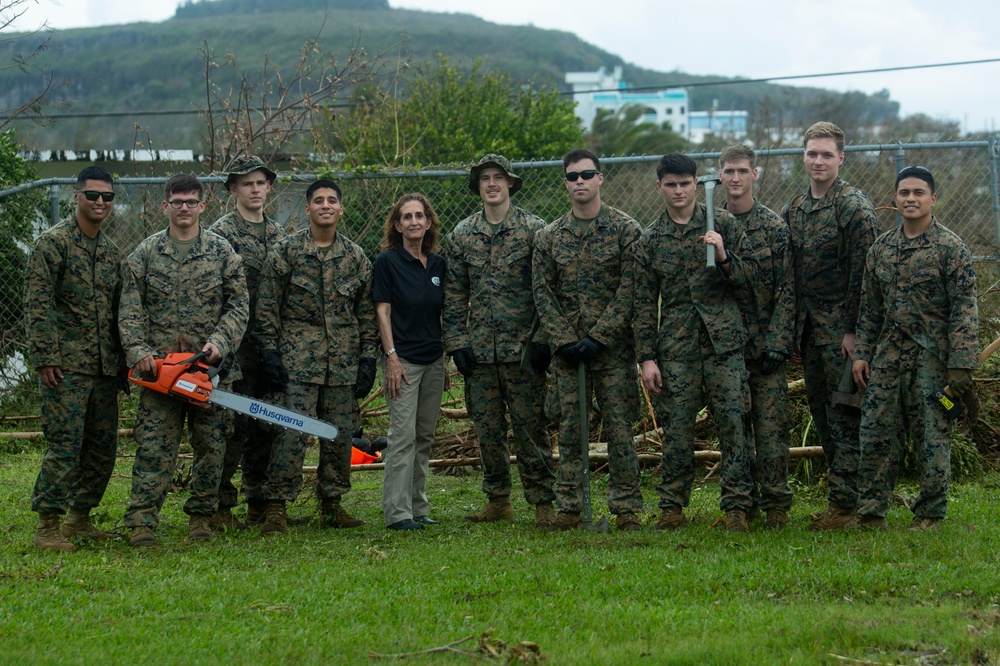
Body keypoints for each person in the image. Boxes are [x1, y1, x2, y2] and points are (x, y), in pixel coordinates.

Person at [120, 174, 248, 547]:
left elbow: (239, 304)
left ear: (202, 206)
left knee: (211, 446)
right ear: (165, 206)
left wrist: (220, 342)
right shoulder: (144, 254)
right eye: (177, 202)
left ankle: (202, 517)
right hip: (160, 370)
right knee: (154, 447)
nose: (184, 209)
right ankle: (143, 521)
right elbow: (129, 308)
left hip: (208, 370)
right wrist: (138, 350)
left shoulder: (222, 252)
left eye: (191, 202)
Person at [634, 153, 758, 532]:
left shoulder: (722, 224)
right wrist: (647, 357)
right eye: (670, 184)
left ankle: (737, 507)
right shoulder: (651, 238)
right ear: (660, 187)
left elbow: (750, 280)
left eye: (685, 183)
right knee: (677, 429)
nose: (678, 191)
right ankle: (671, 508)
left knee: (733, 425)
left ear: (696, 184)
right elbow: (642, 302)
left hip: (723, 344)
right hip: (677, 347)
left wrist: (723, 255)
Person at [852, 165, 978, 530]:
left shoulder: (950, 248)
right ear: (895, 198)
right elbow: (870, 306)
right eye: (904, 193)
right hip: (888, 355)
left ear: (933, 199)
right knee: (876, 432)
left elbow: (964, 309)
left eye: (919, 193)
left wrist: (961, 366)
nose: (910, 199)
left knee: (931, 436)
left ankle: (929, 513)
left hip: (933, 359)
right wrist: (862, 353)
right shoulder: (882, 248)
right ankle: (871, 511)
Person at [255, 179, 377, 535]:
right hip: (297, 362)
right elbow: (267, 306)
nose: (326, 205)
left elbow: (366, 315)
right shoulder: (286, 252)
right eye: (318, 201)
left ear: (340, 209)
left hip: (342, 363)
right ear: (307, 209)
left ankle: (332, 503)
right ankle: (276, 506)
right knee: (291, 433)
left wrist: (367, 360)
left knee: (338, 435)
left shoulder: (356, 258)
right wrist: (269, 351)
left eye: (332, 200)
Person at [442, 154, 556, 527]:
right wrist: (457, 343)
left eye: (498, 178)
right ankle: (498, 500)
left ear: (510, 184)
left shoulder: (535, 229)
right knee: (487, 430)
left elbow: (545, 289)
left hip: (522, 350)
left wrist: (542, 340)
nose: (491, 184)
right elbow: (455, 295)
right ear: (477, 187)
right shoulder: (461, 235)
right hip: (480, 352)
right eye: (485, 179)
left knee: (529, 427)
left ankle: (542, 502)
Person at [533, 148, 643, 532]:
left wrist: (599, 336)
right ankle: (569, 506)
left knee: (619, 427)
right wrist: (563, 339)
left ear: (600, 178)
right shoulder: (549, 236)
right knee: (569, 427)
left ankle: (626, 506)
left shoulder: (626, 230)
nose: (579, 181)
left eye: (586, 174)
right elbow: (542, 292)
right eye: (572, 176)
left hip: (611, 351)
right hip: (567, 353)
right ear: (564, 182)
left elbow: (631, 288)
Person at [24, 166, 125, 551]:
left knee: (102, 448)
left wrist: (121, 364)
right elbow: (38, 304)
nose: (100, 202)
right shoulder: (53, 244)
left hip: (103, 368)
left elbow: (119, 313)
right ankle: (46, 526)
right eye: (93, 195)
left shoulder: (112, 252)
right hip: (65, 368)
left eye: (108, 197)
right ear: (76, 196)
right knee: (64, 445)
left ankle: (78, 519)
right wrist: (45, 357)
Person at [782, 121, 877, 530]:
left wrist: (854, 334)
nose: (818, 161)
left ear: (841, 158)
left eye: (826, 154)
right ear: (803, 157)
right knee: (823, 416)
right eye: (811, 153)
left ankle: (851, 506)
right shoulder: (795, 210)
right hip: (810, 332)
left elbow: (867, 275)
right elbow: (791, 277)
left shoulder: (853, 207)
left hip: (842, 334)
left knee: (845, 417)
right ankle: (842, 503)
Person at [719, 145, 796, 529]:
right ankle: (737, 504)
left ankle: (776, 504)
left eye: (742, 171)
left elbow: (787, 290)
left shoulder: (774, 227)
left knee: (770, 428)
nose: (735, 178)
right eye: (729, 171)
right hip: (725, 347)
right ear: (720, 176)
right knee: (732, 427)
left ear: (755, 174)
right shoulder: (710, 226)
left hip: (765, 343)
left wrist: (778, 343)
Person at [208, 154, 284, 530]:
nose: (255, 189)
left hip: (269, 347)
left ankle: (258, 501)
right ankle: (220, 507)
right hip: (235, 350)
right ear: (233, 189)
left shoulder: (279, 234)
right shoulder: (220, 235)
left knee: (266, 426)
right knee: (231, 428)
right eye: (246, 183)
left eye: (260, 183)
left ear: (269, 187)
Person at [373, 193, 447, 531]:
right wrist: (392, 358)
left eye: (420, 216)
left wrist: (443, 360)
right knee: (402, 437)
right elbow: (383, 311)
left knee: (424, 436)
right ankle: (397, 512)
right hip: (403, 363)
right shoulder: (387, 263)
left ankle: (419, 507)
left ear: (428, 222)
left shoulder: (438, 264)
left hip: (433, 361)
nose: (414, 221)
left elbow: (440, 314)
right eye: (407, 216)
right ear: (397, 224)